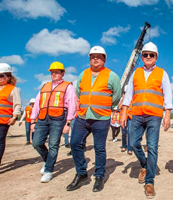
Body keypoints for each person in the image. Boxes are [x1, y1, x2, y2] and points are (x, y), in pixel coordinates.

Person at [120, 42, 173, 199]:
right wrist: (124, 112)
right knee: (133, 143)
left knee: (152, 147)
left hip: (154, 115)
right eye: (145, 54)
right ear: (142, 56)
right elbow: (129, 94)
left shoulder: (162, 73)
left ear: (156, 57)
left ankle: (149, 181)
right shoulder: (136, 73)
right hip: (136, 114)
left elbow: (168, 95)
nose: (148, 57)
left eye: (152, 55)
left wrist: (168, 114)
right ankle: (145, 165)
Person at [66, 46, 121, 192]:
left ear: (104, 59)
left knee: (99, 148)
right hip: (83, 116)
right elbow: (79, 92)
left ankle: (99, 176)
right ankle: (82, 173)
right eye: (92, 56)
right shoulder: (83, 74)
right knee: (75, 143)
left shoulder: (112, 76)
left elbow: (116, 96)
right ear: (89, 58)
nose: (95, 58)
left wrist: (104, 106)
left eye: (99, 56)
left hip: (101, 118)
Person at [30, 61, 76, 183]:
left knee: (53, 145)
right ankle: (48, 161)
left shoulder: (68, 86)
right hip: (43, 118)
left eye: (57, 72)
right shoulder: (45, 86)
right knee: (36, 143)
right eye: (52, 72)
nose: (54, 74)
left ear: (63, 73)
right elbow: (37, 104)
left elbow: (72, 104)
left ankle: (49, 170)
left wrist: (68, 122)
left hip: (59, 118)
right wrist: (33, 121)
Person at [119, 85, 133, 155]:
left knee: (130, 133)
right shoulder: (122, 99)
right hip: (123, 118)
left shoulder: (133, 99)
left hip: (130, 118)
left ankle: (129, 149)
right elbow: (119, 107)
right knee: (124, 133)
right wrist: (123, 99)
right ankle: (124, 146)